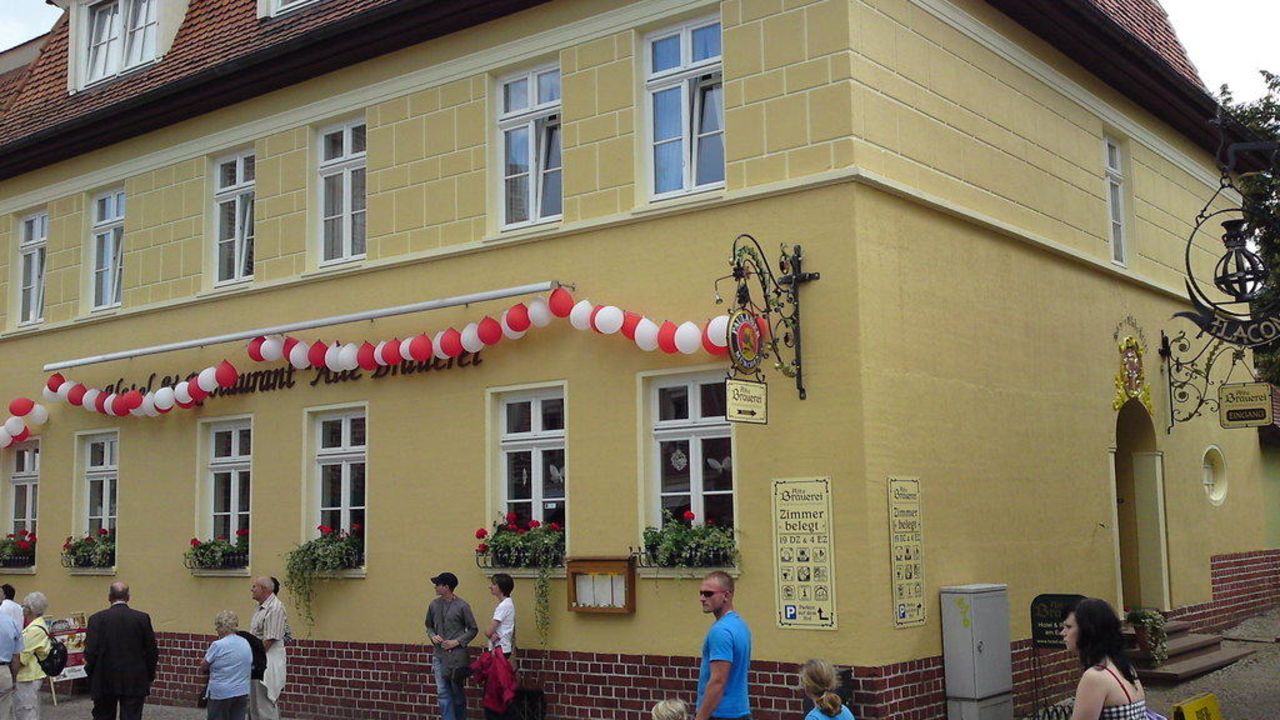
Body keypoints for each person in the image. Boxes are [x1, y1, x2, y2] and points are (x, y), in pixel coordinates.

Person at [1061, 598, 1148, 720]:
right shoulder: (1124, 668)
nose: (1063, 632)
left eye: (1069, 627)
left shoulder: (1095, 677)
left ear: (1088, 631)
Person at [83, 582, 159, 720]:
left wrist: (91, 673)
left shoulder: (96, 619)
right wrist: (149, 674)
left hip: (104, 677)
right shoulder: (141, 618)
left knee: (103, 715)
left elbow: (90, 651)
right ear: (128, 597)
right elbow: (151, 651)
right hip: (134, 677)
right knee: (132, 716)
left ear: (109, 597)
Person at [694, 570, 751, 720]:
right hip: (741, 711)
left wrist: (700, 717)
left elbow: (718, 681)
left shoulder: (720, 631)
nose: (702, 598)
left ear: (726, 595)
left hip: (720, 714)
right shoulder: (740, 625)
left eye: (708, 594)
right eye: (701, 593)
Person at [425, 571, 478, 720]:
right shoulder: (433, 605)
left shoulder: (462, 606)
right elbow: (429, 626)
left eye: (438, 584)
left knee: (457, 692)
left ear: (446, 587)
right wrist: (432, 636)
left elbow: (473, 629)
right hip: (439, 655)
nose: (435, 587)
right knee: (442, 692)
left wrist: (457, 641)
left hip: (456, 657)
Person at [248, 577, 289, 720]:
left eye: (255, 586)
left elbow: (269, 640)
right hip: (258, 660)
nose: (252, 589)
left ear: (264, 589)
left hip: (267, 662)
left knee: (264, 705)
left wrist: (253, 657)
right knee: (254, 704)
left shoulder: (275, 608)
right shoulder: (261, 607)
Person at [200, 611, 253, 720]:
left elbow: (204, 665)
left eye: (217, 626)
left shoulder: (218, 645)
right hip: (241, 690)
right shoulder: (245, 642)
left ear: (221, 627)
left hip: (221, 692)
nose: (216, 629)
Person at [16, 591, 51, 720]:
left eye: (24, 606)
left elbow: (21, 657)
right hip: (28, 677)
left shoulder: (34, 630)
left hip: (28, 677)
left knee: (27, 711)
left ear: (29, 609)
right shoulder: (34, 626)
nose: (22, 609)